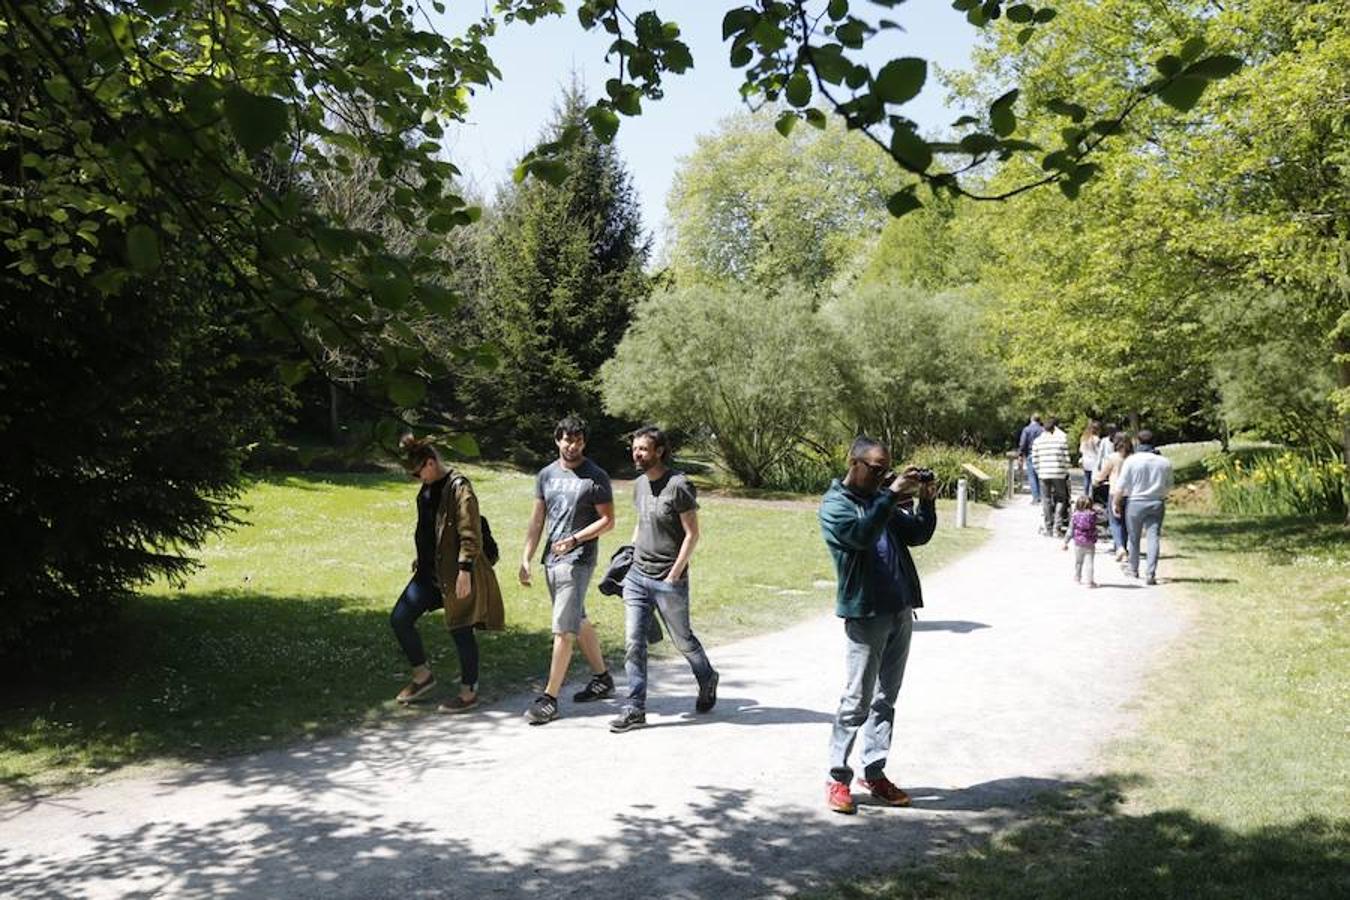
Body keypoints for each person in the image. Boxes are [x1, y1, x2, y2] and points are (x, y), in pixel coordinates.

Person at [819, 436, 938, 815]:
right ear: (853, 463)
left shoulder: (879, 501)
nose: (884, 476)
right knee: (857, 700)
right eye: (877, 469)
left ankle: (874, 772)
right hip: (867, 613)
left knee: (886, 699)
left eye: (887, 469)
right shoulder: (835, 505)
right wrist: (890, 496)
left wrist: (927, 499)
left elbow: (917, 534)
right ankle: (837, 778)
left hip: (900, 610)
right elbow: (860, 536)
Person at [609, 426, 720, 733]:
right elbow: (641, 523)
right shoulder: (639, 484)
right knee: (634, 642)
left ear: (659, 451)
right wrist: (628, 556)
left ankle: (707, 677)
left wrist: (674, 573)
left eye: (642, 449)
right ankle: (634, 708)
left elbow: (691, 534)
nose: (636, 454)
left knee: (683, 640)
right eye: (634, 449)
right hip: (637, 577)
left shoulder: (678, 485)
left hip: (669, 579)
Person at [390, 435, 505, 712]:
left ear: (431, 462)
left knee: (461, 628)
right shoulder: (428, 488)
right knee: (400, 618)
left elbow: (470, 533)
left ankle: (468, 693)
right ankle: (423, 676)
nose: (418, 478)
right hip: (430, 572)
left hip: (456, 573)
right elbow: (431, 527)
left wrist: (465, 569)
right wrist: (421, 555)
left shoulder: (459, 488)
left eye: (419, 472)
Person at [519, 416, 617, 725]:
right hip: (552, 560)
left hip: (579, 560)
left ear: (583, 443)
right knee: (577, 617)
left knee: (563, 628)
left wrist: (575, 539)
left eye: (576, 440)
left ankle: (549, 698)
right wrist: (526, 557)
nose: (570, 445)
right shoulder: (546, 475)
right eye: (565, 439)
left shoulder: (595, 476)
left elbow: (608, 520)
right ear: (557, 440)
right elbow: (537, 521)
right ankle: (602, 679)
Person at [1112, 430, 1174, 585]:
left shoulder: (1131, 461)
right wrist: (1160, 494)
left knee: (1134, 538)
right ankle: (1151, 573)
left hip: (1135, 502)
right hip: (1156, 502)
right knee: (1153, 537)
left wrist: (1116, 502)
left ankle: (1134, 569)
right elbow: (1169, 486)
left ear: (1137, 441)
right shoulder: (1164, 462)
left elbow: (1121, 485)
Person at [1093, 433, 1133, 561]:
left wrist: (1096, 480)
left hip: (1115, 491)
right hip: (1130, 492)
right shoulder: (1133, 458)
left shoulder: (1112, 458)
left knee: (1115, 521)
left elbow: (1102, 475)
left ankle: (1120, 547)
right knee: (1126, 522)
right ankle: (1124, 548)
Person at [1031, 416, 1071, 536]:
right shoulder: (1061, 440)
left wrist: (1039, 471)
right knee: (1061, 499)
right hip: (1059, 474)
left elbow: (1034, 460)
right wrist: (1064, 471)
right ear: (1054, 428)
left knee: (1046, 500)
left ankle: (1048, 527)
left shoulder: (1037, 441)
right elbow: (1066, 459)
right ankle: (1057, 527)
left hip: (1043, 474)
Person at [1061, 494, 1099, 588]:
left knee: (1078, 562)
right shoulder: (1093, 516)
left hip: (1078, 543)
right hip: (1090, 543)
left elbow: (1070, 530)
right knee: (1089, 562)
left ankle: (1077, 578)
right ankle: (1090, 582)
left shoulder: (1075, 516)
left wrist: (1065, 542)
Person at [1017, 414, 1044, 503]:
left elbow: (1023, 443)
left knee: (1032, 476)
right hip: (1041, 454)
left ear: (1031, 419)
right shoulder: (1042, 430)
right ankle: (1041, 496)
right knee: (1040, 476)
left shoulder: (1027, 429)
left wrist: (1020, 454)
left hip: (1030, 454)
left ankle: (1036, 498)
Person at [1078, 420, 1103, 496]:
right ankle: (1092, 496)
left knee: (1086, 479)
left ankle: (1085, 495)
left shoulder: (1084, 438)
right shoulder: (1097, 439)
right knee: (1093, 480)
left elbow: (1081, 450)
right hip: (1094, 461)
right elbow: (1100, 451)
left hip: (1085, 460)